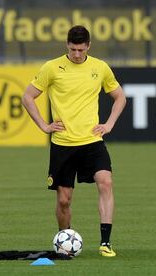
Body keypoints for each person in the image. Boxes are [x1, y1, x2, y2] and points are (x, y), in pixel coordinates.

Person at [22, 25, 126, 257]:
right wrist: (43, 125)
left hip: (92, 141)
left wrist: (108, 124)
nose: (76, 54)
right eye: (72, 49)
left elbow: (120, 97)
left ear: (88, 46)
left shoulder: (100, 67)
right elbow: (28, 96)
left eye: (80, 49)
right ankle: (64, 241)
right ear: (66, 46)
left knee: (106, 182)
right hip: (63, 144)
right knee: (64, 200)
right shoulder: (52, 67)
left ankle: (106, 243)